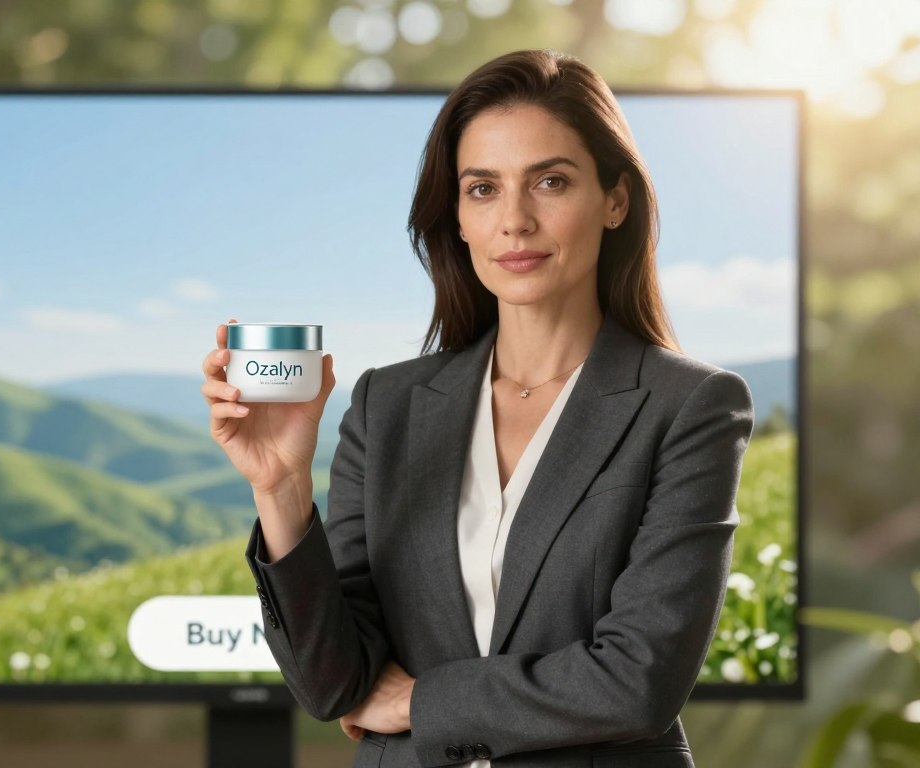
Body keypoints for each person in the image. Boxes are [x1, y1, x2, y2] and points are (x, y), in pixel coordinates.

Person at [200, 49, 753, 768]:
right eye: (483, 189)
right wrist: (280, 488)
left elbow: (638, 680)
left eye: (551, 181)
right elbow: (333, 683)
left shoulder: (691, 407)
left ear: (615, 200)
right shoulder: (387, 404)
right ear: (458, 217)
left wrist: (418, 704)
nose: (515, 221)